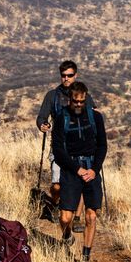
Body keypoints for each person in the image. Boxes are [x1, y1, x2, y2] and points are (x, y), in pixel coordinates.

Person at [50, 80, 106, 262]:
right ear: (70, 99)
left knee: (91, 216)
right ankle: (67, 235)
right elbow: (57, 150)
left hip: (91, 169)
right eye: (76, 101)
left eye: (82, 101)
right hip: (71, 171)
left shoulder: (95, 117)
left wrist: (94, 169)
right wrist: (76, 169)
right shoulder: (61, 118)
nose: (79, 105)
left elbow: (102, 145)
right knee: (65, 217)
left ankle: (85, 258)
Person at [35, 60, 78, 198]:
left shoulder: (82, 95)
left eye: (69, 75)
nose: (66, 78)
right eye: (63, 75)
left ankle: (71, 214)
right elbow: (41, 117)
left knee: (76, 183)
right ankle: (55, 203)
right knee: (56, 185)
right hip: (58, 146)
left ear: (75, 75)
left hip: (78, 146)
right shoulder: (52, 96)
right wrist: (42, 124)